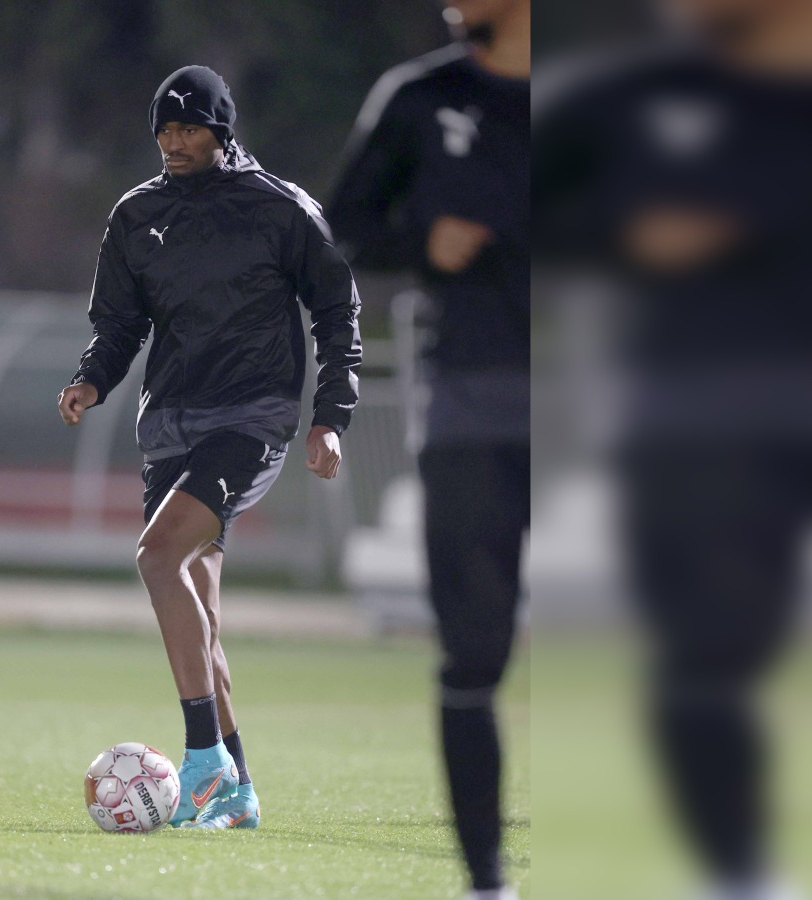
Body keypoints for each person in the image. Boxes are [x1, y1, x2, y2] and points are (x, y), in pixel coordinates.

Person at [534, 1, 812, 897]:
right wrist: (625, 232)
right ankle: (739, 877)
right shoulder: (629, 98)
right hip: (701, 415)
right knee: (709, 649)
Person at [57, 65, 362, 830]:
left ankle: (200, 759)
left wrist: (330, 416)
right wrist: (91, 379)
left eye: (189, 129)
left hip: (252, 418)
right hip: (168, 425)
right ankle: (239, 792)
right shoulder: (137, 214)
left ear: (222, 133)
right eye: (164, 130)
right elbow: (119, 324)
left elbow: (336, 311)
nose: (174, 142)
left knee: (158, 556)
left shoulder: (280, 209)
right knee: (204, 620)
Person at [327, 2, 529, 897]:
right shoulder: (418, 97)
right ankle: (487, 880)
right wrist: (422, 242)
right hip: (472, 406)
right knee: (473, 653)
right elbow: (342, 226)